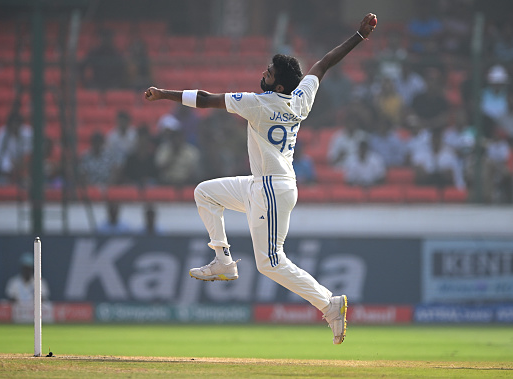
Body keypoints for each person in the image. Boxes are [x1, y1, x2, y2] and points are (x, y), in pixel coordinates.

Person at [144, 13, 378, 345]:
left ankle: (329, 303)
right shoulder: (300, 100)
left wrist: (164, 93)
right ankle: (223, 259)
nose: (263, 74)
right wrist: (359, 35)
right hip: (263, 183)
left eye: (268, 73)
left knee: (270, 263)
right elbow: (324, 64)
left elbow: (206, 99)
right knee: (205, 193)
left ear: (277, 85)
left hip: (271, 187)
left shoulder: (259, 104)